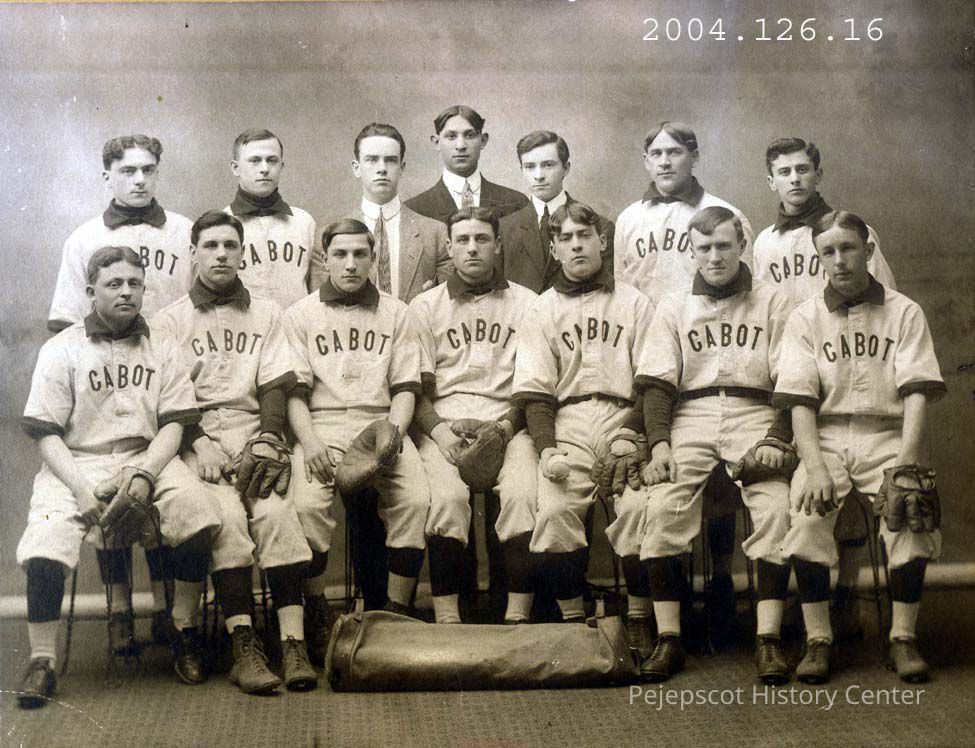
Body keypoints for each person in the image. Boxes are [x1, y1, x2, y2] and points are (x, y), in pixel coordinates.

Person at [17, 246, 219, 708]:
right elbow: (45, 433)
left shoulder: (163, 344)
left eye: (134, 283)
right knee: (44, 541)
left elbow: (175, 423)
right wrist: (80, 489)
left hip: (148, 455)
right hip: (76, 462)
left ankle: (183, 628)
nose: (126, 292)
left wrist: (146, 473)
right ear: (91, 292)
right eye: (114, 284)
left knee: (199, 511)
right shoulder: (61, 348)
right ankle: (42, 660)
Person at [773, 210, 946, 684]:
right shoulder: (805, 317)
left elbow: (916, 391)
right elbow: (801, 402)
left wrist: (907, 460)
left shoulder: (904, 311)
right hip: (825, 437)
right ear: (819, 258)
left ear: (868, 250)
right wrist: (814, 467)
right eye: (828, 252)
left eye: (848, 248)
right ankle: (818, 639)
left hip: (888, 435)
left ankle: (903, 637)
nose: (839, 260)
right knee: (807, 514)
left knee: (910, 511)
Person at [155, 210, 321, 693]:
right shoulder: (169, 320)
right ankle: (243, 645)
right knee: (226, 519)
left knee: (278, 513)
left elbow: (274, 383)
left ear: (242, 253)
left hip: (253, 430)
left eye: (230, 245)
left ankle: (292, 643)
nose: (221, 254)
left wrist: (268, 438)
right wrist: (200, 444)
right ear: (193, 253)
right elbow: (168, 398)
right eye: (210, 246)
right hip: (197, 436)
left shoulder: (267, 312)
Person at [636, 206, 794, 685]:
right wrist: (659, 444)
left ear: (742, 245)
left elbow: (793, 381)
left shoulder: (774, 300)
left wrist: (776, 436)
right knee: (661, 506)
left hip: (755, 411)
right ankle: (670, 638)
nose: (714, 256)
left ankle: (768, 638)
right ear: (691, 251)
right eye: (703, 247)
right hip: (692, 414)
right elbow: (658, 384)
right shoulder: (673, 305)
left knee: (776, 507)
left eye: (724, 245)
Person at [47, 135, 195, 640]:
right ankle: (118, 609)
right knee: (107, 486)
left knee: (165, 493)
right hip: (103, 378)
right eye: (127, 170)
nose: (139, 179)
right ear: (106, 175)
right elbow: (66, 325)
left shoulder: (183, 231)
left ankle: (165, 608)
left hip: (168, 375)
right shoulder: (83, 238)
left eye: (148, 169)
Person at [753, 137, 899, 640]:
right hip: (789, 369)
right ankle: (803, 601)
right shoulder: (765, 242)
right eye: (784, 172)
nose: (794, 179)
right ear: (771, 181)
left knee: (847, 483)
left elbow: (883, 304)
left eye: (802, 169)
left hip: (845, 366)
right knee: (804, 489)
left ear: (818, 174)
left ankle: (847, 590)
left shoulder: (851, 231)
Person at [616, 121, 753, 641]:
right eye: (656, 153)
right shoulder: (630, 218)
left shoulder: (723, 210)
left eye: (675, 152)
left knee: (720, 476)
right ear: (646, 161)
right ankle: (661, 608)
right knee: (666, 471)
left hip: (714, 350)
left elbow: (745, 290)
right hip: (655, 348)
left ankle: (720, 576)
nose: (666, 161)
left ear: (694, 156)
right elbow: (622, 291)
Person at [511, 202, 655, 653]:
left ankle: (638, 616)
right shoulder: (542, 309)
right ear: (554, 249)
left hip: (624, 418)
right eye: (566, 239)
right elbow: (536, 392)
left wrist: (631, 433)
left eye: (584, 236)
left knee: (638, 506)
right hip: (567, 421)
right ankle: (573, 618)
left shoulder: (635, 302)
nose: (576, 246)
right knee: (554, 511)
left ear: (602, 241)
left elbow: (652, 380)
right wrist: (548, 448)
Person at [285, 219, 430, 615]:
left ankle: (395, 611)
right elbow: (295, 393)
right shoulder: (300, 314)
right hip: (322, 425)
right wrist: (310, 442)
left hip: (381, 422)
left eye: (359, 254)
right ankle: (316, 606)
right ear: (325, 259)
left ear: (373, 258)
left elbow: (406, 387)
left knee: (415, 499)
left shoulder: (397, 312)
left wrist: (392, 438)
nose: (350, 264)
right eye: (340, 254)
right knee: (306, 506)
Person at [408, 207, 538, 624]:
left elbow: (535, 383)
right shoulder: (425, 306)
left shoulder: (527, 303)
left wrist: (506, 428)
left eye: (482, 239)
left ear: (497, 245)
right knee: (446, 500)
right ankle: (448, 619)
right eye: (462, 240)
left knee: (520, 495)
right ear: (449, 247)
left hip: (507, 422)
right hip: (445, 424)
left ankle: (517, 616)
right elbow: (414, 387)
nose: (472, 248)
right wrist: (439, 432)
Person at [320, 123, 451, 301]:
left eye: (390, 160)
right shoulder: (328, 237)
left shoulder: (435, 234)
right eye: (372, 160)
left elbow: (446, 306)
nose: (382, 168)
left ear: (402, 168)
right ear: (356, 168)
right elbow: (322, 308)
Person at [499, 130, 615, 293]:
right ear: (522, 170)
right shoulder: (503, 229)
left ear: (565, 168)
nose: (539, 176)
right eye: (530, 167)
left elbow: (604, 294)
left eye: (548, 165)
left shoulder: (601, 227)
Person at [226, 128, 320, 308]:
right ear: (235, 168)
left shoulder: (304, 222)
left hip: (295, 324)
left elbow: (316, 295)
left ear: (281, 166)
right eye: (255, 160)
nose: (264, 169)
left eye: (272, 160)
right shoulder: (221, 224)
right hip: (242, 324)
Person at [405, 105, 527, 224]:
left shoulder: (516, 203)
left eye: (469, 135)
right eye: (451, 136)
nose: (461, 146)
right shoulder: (413, 210)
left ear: (483, 140)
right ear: (437, 142)